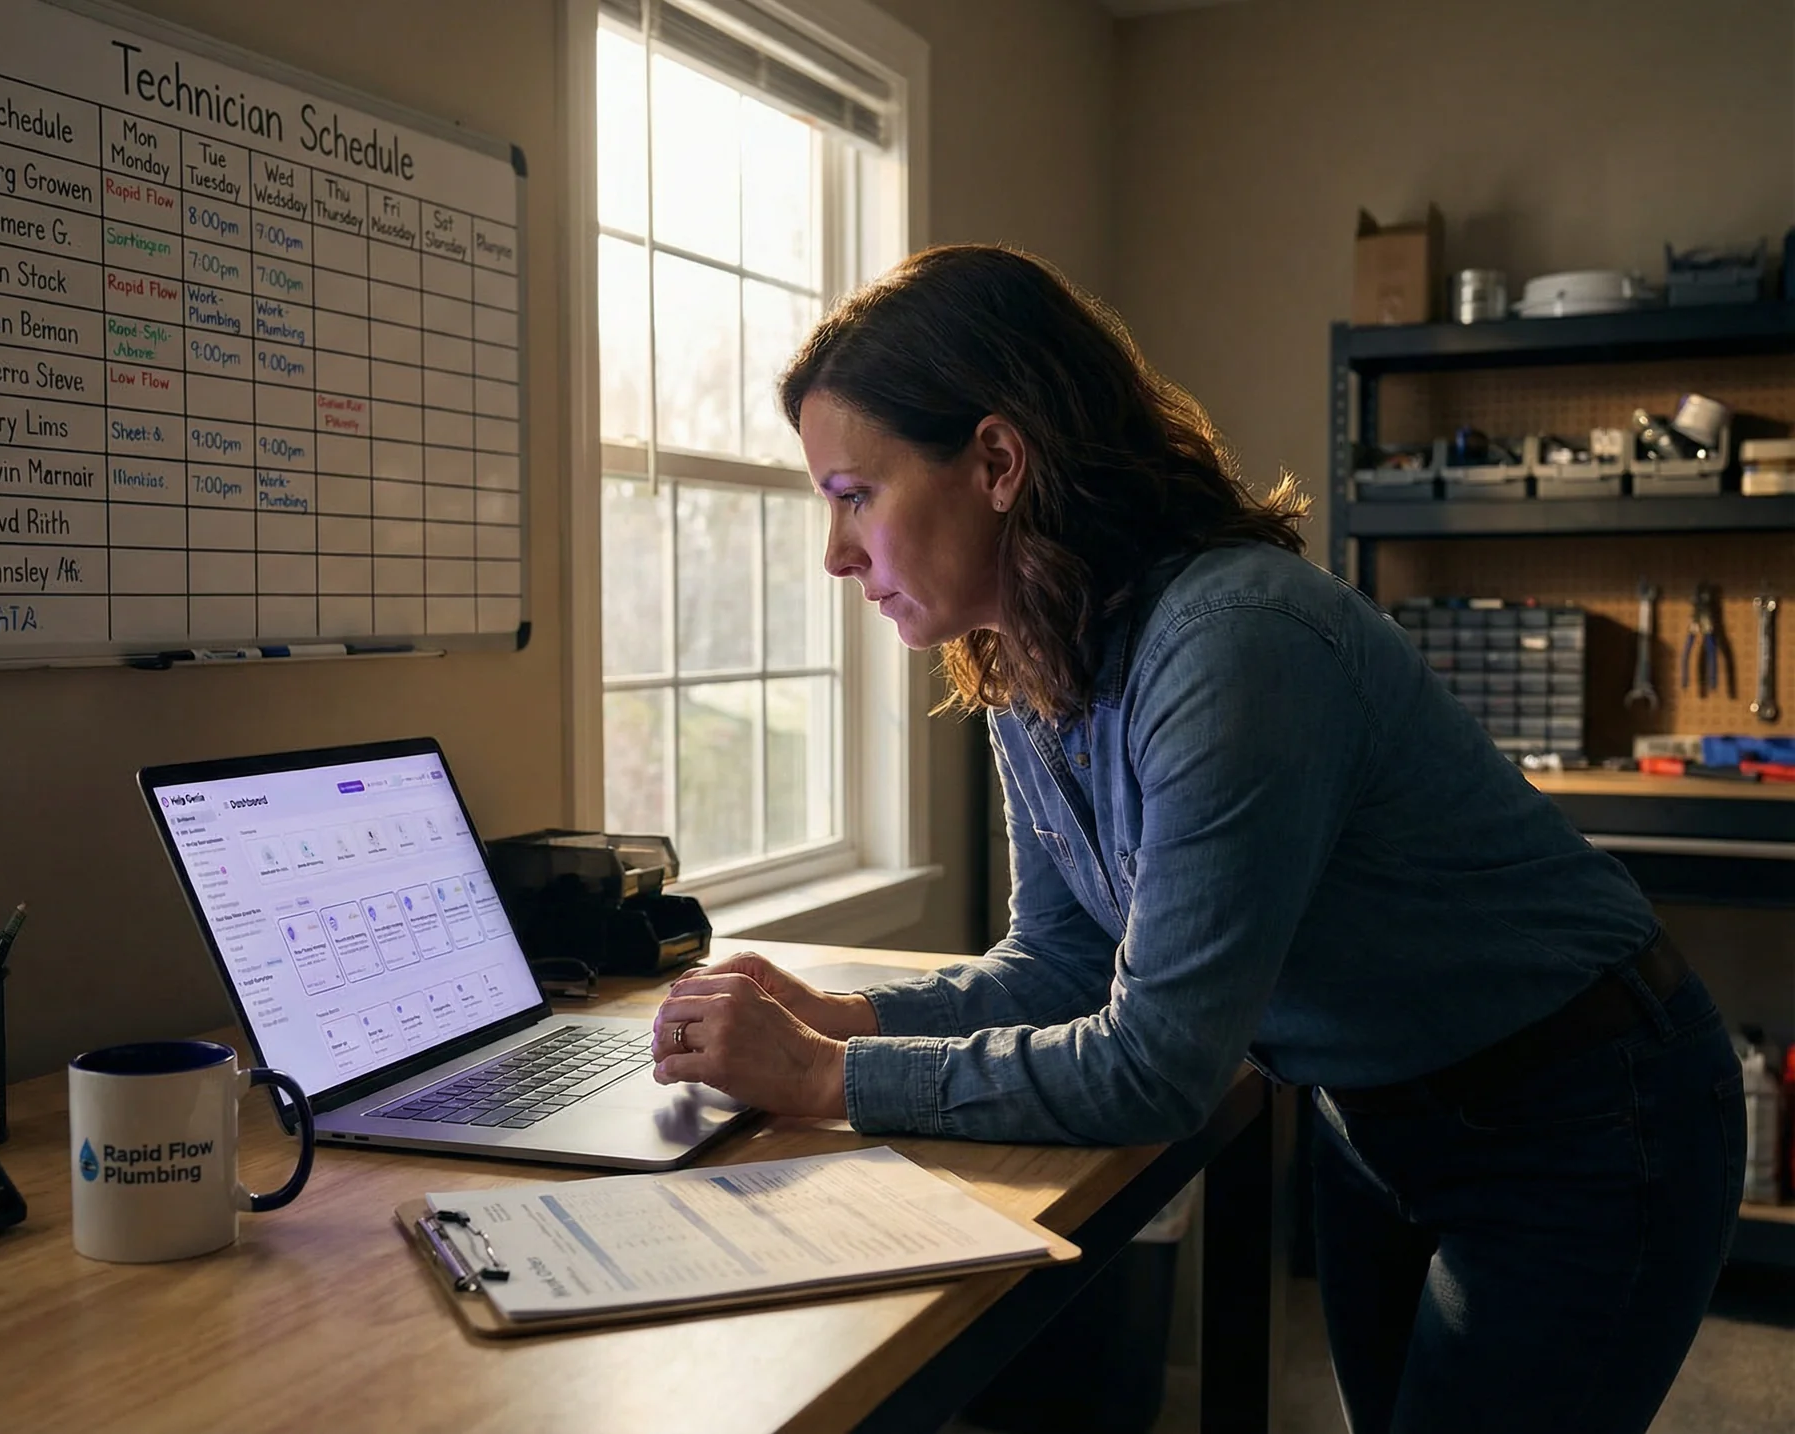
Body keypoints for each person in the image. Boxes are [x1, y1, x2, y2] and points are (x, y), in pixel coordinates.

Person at [647, 244, 1744, 1433]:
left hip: (1584, 1107)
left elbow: (1156, 1066)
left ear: (998, 462)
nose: (836, 554)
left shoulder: (1234, 643)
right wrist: (845, 1017)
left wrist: (822, 1077)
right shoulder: (1026, 650)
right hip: (1374, 1110)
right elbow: (1061, 968)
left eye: (855, 495)